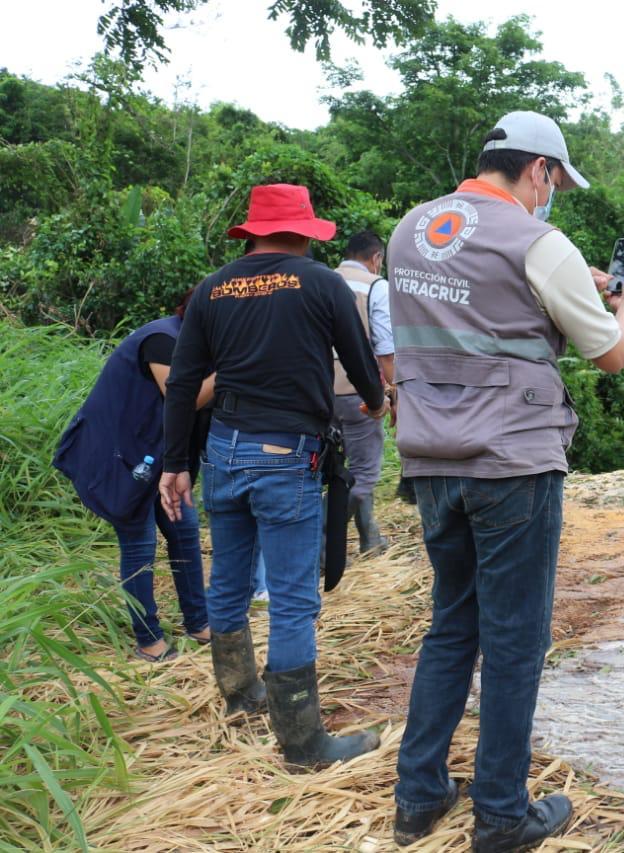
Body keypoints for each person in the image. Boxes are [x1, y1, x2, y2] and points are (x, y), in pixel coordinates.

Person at [388, 111, 624, 851]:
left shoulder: (412, 227)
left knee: (451, 625)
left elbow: (467, 305)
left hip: (433, 459)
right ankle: (500, 813)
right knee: (515, 638)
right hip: (512, 463)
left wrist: (572, 282)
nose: (552, 193)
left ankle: (419, 794)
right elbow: (610, 354)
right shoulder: (539, 241)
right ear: (539, 169)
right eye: (555, 180)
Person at [157, 183, 390, 770]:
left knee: (230, 581)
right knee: (291, 598)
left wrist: (175, 462)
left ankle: (241, 697)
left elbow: (184, 383)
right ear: (304, 233)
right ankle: (303, 742)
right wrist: (375, 400)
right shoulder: (320, 283)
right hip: (285, 453)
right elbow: (359, 357)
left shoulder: (214, 288)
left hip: (223, 454)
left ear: (254, 231)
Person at [54, 294, 215, 662]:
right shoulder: (163, 340)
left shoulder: (201, 349)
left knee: (184, 531)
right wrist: (231, 369)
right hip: (119, 458)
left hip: (158, 458)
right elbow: (185, 398)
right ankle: (148, 639)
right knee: (140, 543)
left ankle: (199, 621)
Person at [332, 229, 395, 555]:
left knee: (337, 470)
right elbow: (385, 349)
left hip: (317, 393)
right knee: (365, 473)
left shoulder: (324, 280)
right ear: (376, 259)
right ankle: (321, 544)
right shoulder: (375, 287)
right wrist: (395, 391)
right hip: (358, 394)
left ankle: (370, 540)